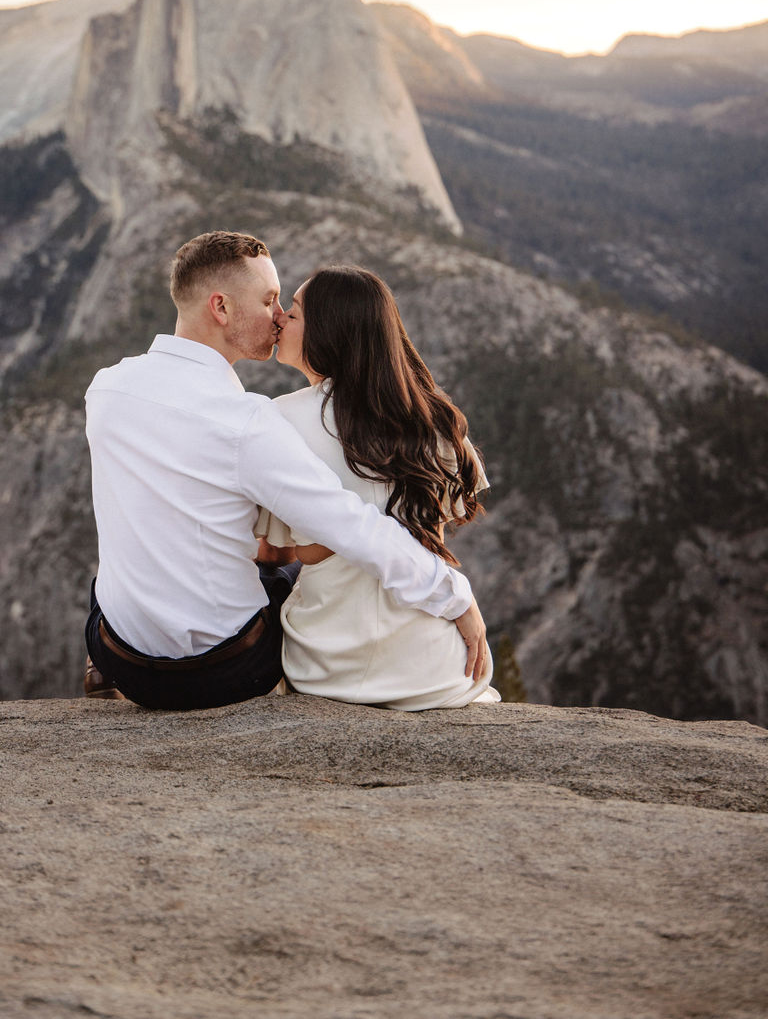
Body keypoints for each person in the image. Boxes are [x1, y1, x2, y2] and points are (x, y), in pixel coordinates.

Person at [83, 231, 487, 710]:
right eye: (270, 299)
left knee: (116, 564)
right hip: (224, 673)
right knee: (286, 568)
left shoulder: (105, 390)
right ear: (222, 308)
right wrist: (455, 596)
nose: (280, 316)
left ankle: (99, 667)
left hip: (122, 658)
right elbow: (352, 526)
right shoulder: (246, 422)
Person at [263, 265, 500, 708]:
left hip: (325, 667)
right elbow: (431, 541)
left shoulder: (279, 421)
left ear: (328, 332)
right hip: (435, 671)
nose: (279, 319)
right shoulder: (434, 421)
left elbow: (269, 554)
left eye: (293, 313)